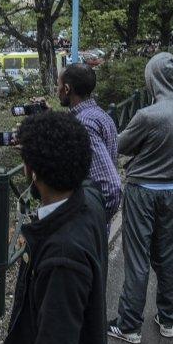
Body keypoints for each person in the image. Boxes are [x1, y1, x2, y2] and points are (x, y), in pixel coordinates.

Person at [0, 111, 108, 344]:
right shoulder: (89, 199)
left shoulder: (62, 256)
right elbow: (68, 147)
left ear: (31, 171)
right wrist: (38, 141)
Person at [107, 53, 173, 343]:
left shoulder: (149, 115)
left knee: (137, 258)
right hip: (172, 190)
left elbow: (119, 146)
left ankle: (129, 324)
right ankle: (168, 317)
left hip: (142, 191)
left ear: (153, 79)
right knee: (168, 254)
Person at [56, 64, 122, 225]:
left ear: (66, 88)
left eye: (58, 85)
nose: (56, 90)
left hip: (86, 225)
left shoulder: (84, 124)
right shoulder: (99, 115)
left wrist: (93, 221)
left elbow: (111, 187)